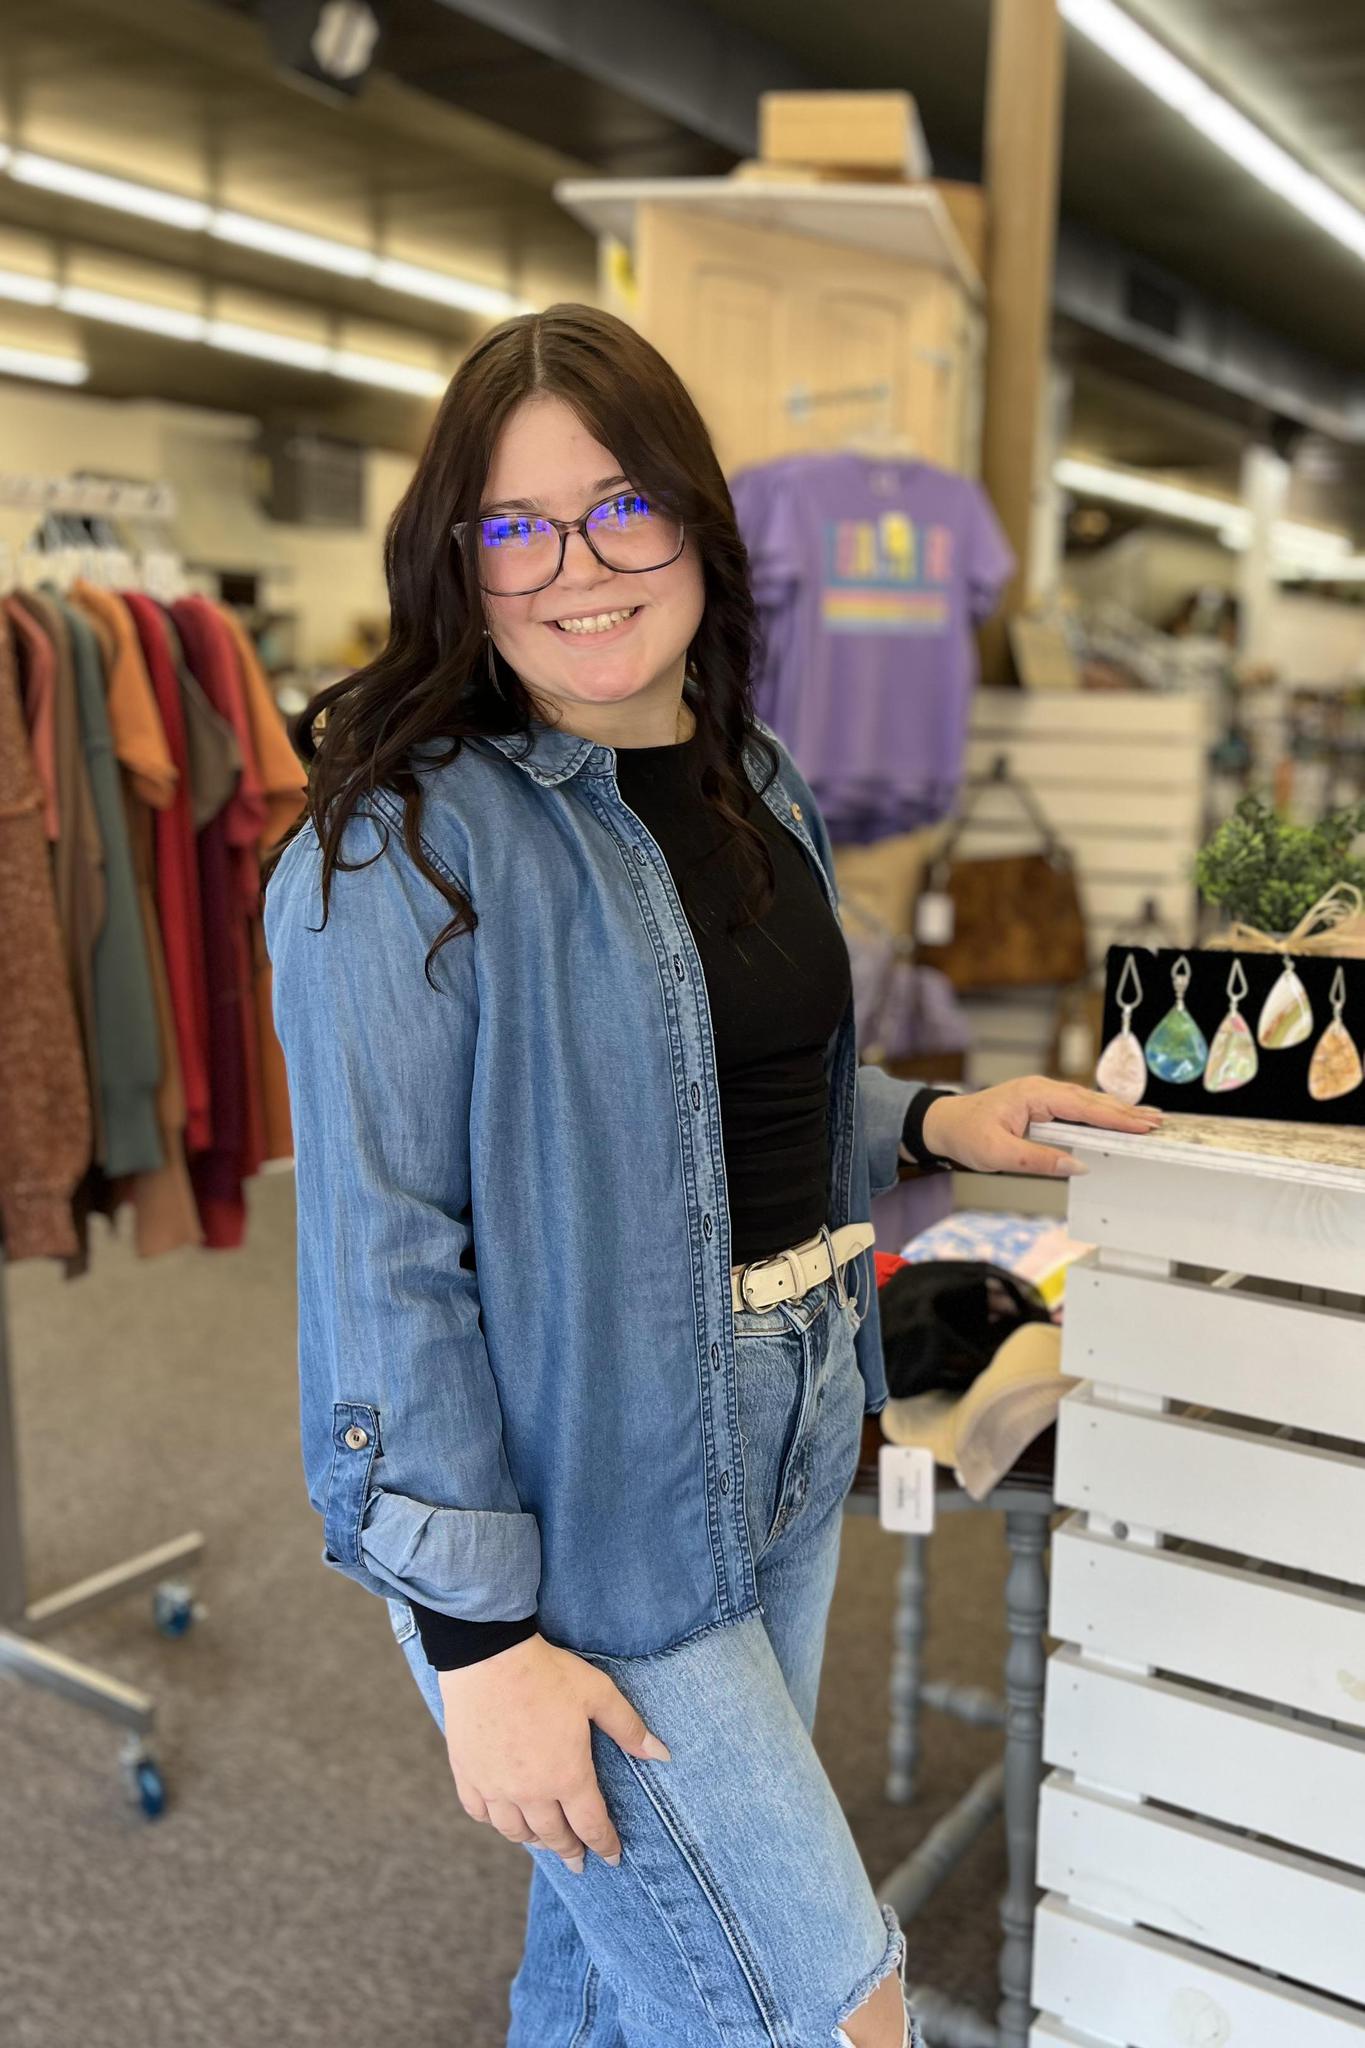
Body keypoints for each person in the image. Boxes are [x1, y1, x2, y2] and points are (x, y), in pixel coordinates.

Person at [263, 303, 1160, 2048]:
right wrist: (475, 1645)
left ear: (694, 521)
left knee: (618, 1978)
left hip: (790, 1411)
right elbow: (382, 1263)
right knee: (830, 2010)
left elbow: (710, 1114)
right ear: (458, 561)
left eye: (620, 507)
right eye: (514, 527)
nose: (574, 567)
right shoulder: (399, 840)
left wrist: (930, 1122)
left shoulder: (750, 781)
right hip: (586, 1494)